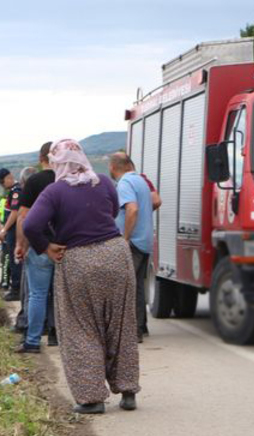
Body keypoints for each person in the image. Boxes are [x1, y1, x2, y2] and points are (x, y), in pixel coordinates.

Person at [23, 139, 140, 414]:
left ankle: (92, 399)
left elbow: (31, 225)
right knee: (121, 324)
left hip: (79, 260)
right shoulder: (102, 181)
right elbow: (111, 212)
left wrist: (47, 247)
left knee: (81, 328)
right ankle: (128, 392)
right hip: (115, 254)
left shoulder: (55, 191)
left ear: (56, 163)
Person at [14, 143, 57, 351]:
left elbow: (23, 216)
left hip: (40, 245)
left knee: (38, 294)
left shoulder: (34, 181)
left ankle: (32, 341)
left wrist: (21, 244)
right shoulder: (68, 180)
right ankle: (57, 336)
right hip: (66, 246)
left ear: (41, 159)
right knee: (61, 295)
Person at [109, 152, 156, 341]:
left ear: (113, 167)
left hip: (134, 242)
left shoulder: (125, 183)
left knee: (126, 287)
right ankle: (140, 327)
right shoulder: (141, 181)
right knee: (136, 286)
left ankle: (132, 332)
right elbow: (154, 202)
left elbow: (132, 209)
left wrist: (125, 238)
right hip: (144, 241)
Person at [13, 166, 37, 334]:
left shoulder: (26, 195)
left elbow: (22, 218)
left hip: (33, 246)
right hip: (54, 246)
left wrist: (20, 245)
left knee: (30, 291)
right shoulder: (50, 189)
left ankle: (26, 325)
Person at [0, 168, 21, 299]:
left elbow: (14, 213)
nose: (3, 186)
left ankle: (16, 290)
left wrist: (3, 231)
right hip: (11, 232)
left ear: (9, 178)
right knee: (10, 260)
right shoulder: (11, 191)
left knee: (14, 261)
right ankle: (14, 287)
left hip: (14, 232)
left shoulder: (16, 192)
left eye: (3, 182)